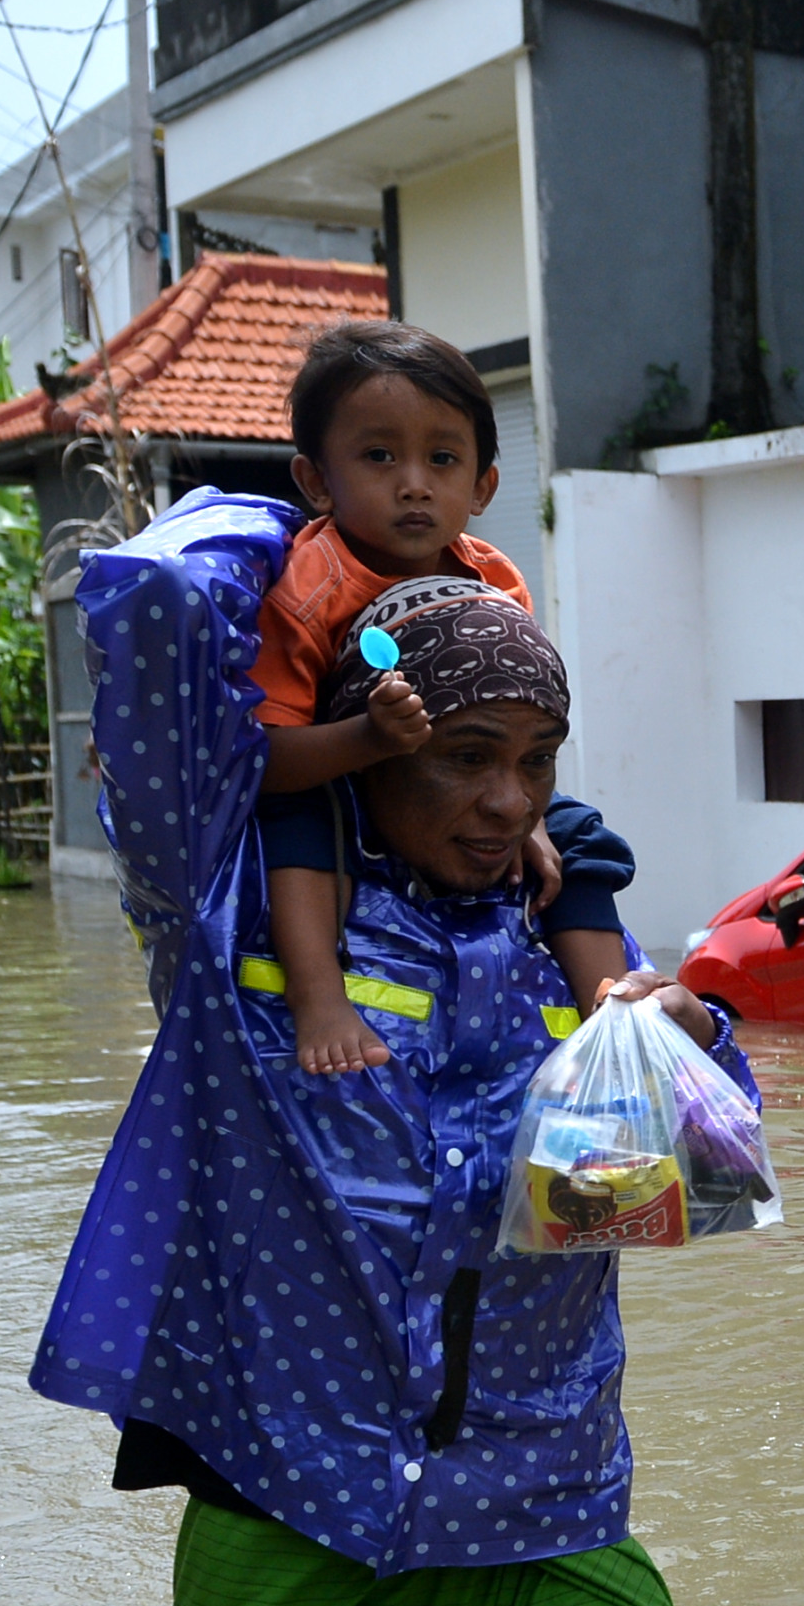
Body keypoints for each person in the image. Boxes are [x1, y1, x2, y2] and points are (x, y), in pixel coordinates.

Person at [32, 488, 750, 1606]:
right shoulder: (232, 907)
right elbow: (154, 603)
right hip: (302, 1531)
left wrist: (685, 1062)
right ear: (382, 747)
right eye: (466, 758)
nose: (506, 803)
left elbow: (662, 1203)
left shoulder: (573, 940)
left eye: (536, 763)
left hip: (547, 1529)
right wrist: (352, 542)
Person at [253, 318, 632, 1074]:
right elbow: (264, 760)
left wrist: (524, 810)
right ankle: (320, 997)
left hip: (457, 776)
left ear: (484, 485)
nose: (415, 483)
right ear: (316, 480)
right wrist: (365, 740)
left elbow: (516, 730)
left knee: (577, 836)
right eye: (379, 456)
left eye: (443, 458)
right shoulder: (304, 591)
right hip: (339, 783)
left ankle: (614, 1007)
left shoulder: (496, 580)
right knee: (291, 824)